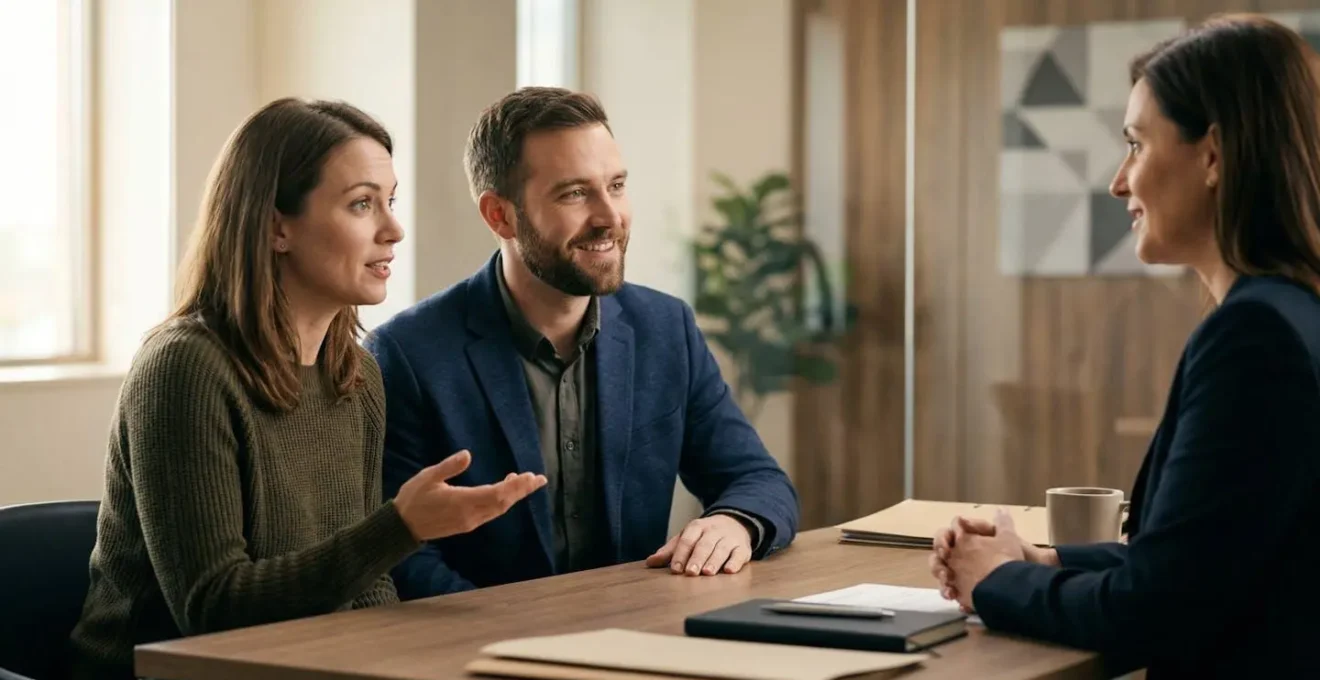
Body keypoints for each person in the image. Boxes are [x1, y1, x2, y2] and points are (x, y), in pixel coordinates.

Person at [67, 98, 546, 680]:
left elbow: (361, 588)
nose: (393, 229)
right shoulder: (185, 369)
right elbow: (213, 608)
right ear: (276, 228)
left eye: (389, 202)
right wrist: (400, 527)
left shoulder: (356, 374)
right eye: (362, 204)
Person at [929, 14, 1320, 678]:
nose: (1119, 182)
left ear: (1214, 156)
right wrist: (1048, 562)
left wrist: (992, 581)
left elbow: (1155, 611)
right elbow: (1212, 558)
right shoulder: (1293, 314)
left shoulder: (1255, 338)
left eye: (1136, 144)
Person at [365, 87, 800, 599]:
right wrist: (518, 633)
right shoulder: (409, 353)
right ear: (499, 215)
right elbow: (399, 554)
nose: (609, 216)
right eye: (574, 193)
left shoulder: (666, 328)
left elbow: (758, 479)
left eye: (615, 185)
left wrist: (734, 523)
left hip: (635, 641)